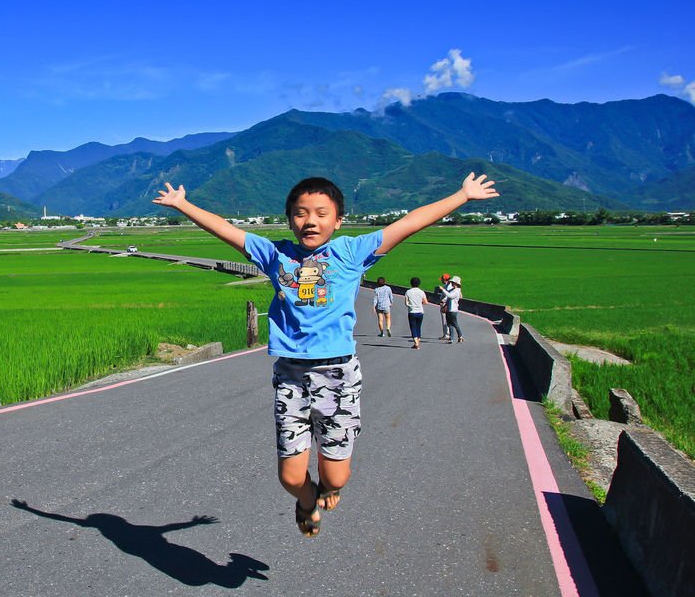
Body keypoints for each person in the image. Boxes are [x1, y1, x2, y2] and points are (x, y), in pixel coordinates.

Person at [152, 172, 498, 537]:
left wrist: (461, 196)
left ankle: (329, 488)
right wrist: (182, 204)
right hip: (291, 376)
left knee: (337, 476)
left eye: (320, 213)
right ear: (289, 219)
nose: (310, 221)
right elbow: (226, 230)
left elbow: (408, 224)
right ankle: (305, 500)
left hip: (339, 376)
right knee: (290, 478)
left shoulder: (350, 252)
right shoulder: (276, 255)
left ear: (338, 220)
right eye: (300, 213)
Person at [405, 277, 427, 349]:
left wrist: (411, 304)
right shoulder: (421, 292)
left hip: (412, 311)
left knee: (413, 327)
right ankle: (417, 341)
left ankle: (416, 342)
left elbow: (406, 303)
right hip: (420, 311)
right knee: (418, 327)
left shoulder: (408, 292)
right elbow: (425, 302)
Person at [441, 275, 465, 343]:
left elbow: (450, 296)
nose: (452, 284)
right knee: (450, 324)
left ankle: (460, 336)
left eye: (453, 283)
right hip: (449, 309)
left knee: (454, 324)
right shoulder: (454, 290)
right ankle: (452, 339)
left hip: (453, 310)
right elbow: (448, 298)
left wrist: (442, 289)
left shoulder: (456, 291)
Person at [435, 273, 453, 339]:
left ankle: (446, 334)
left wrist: (442, 301)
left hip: (445, 304)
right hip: (447, 304)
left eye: (442, 279)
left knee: (445, 319)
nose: (441, 281)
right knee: (447, 319)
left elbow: (447, 295)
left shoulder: (447, 286)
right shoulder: (448, 285)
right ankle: (446, 334)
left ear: (445, 280)